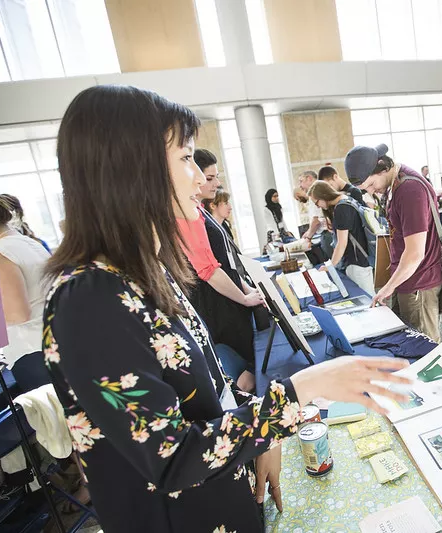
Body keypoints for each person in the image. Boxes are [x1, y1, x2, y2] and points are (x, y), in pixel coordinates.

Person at [44, 84, 410, 533]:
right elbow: (171, 458)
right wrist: (298, 392)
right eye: (184, 159)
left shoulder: (139, 273)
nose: (200, 179)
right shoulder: (90, 301)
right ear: (128, 170)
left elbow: (202, 390)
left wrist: (260, 437)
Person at [347, 143, 442, 341]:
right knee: (408, 344)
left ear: (383, 166)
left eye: (372, 185)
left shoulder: (409, 190)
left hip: (419, 283)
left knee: (425, 352)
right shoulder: (396, 185)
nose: (374, 191)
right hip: (407, 280)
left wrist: (388, 287)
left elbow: (416, 253)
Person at [185, 148, 256, 392]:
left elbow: (228, 262)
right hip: (219, 307)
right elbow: (209, 271)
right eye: (211, 177)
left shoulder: (199, 210)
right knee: (245, 374)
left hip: (229, 302)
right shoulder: (189, 214)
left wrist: (246, 290)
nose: (217, 182)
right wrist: (245, 298)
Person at [0, 194, 51, 391]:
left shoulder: (0, 251)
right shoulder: (28, 242)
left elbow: (18, 314)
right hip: (52, 339)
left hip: (32, 349)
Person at [308, 181, 375, 295]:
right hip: (362, 259)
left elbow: (341, 243)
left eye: (316, 202)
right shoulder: (347, 200)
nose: (317, 206)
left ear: (323, 196)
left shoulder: (341, 208)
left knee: (367, 301)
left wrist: (330, 266)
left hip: (356, 263)